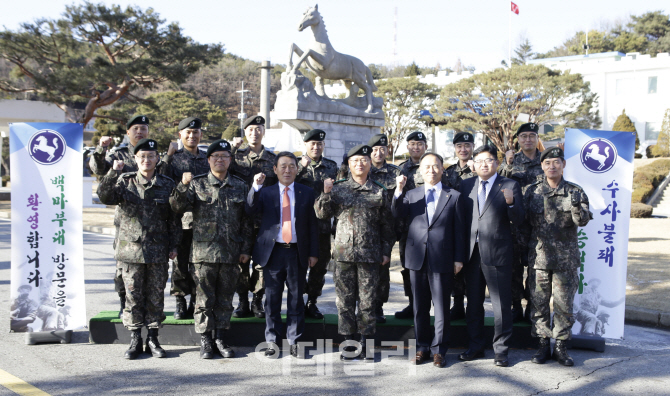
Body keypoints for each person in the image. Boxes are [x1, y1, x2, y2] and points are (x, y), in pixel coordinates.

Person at [97, 138, 180, 360]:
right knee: (133, 297)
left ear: (157, 159)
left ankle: (153, 338)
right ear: (135, 159)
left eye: (150, 156)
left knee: (155, 297)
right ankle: (135, 339)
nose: (146, 160)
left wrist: (174, 246)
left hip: (157, 251)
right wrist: (113, 173)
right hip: (130, 252)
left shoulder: (167, 184)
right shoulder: (124, 181)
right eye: (142, 156)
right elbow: (105, 196)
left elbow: (174, 219)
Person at [170, 139, 253, 359]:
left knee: (225, 300)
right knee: (204, 300)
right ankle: (206, 340)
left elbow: (246, 221)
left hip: (230, 254)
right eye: (215, 156)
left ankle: (221, 338)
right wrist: (183, 186)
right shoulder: (197, 184)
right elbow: (177, 207)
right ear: (209, 160)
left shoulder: (240, 185)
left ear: (230, 160)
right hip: (203, 254)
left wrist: (245, 249)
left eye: (224, 156)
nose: (219, 160)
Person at [315, 144, 394, 361]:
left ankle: (366, 342)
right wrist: (326, 193)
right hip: (343, 256)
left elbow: (387, 226)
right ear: (348, 165)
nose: (360, 164)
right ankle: (348, 342)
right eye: (355, 161)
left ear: (370, 164)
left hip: (370, 255)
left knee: (368, 301)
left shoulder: (379, 190)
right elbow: (322, 215)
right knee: (345, 301)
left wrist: (386, 251)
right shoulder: (338, 188)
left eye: (364, 160)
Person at [392, 153, 466, 368]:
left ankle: (440, 350)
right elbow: (397, 213)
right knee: (419, 307)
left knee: (442, 308)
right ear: (420, 171)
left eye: (435, 166)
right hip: (417, 259)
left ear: (443, 170)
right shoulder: (412, 194)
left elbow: (459, 231)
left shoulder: (454, 196)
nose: (431, 170)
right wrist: (398, 190)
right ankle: (423, 347)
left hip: (443, 258)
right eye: (427, 167)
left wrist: (459, 258)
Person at [521, 147, 592, 366]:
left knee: (563, 305)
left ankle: (561, 346)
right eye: (547, 162)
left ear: (563, 165)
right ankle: (543, 344)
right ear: (542, 166)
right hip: (539, 259)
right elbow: (523, 224)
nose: (552, 166)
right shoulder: (531, 191)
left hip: (565, 260)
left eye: (556, 162)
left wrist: (578, 208)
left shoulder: (575, 191)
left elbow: (582, 222)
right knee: (539, 304)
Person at [245, 152, 319, 358]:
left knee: (296, 299)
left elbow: (312, 225)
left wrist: (313, 253)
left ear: (297, 169)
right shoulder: (266, 192)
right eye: (283, 166)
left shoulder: (306, 192)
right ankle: (272, 341)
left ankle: (294, 341)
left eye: (291, 166)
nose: (287, 170)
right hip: (273, 252)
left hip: (297, 252)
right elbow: (250, 209)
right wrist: (256, 187)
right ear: (275, 170)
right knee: (272, 299)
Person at [458, 144, 524, 367]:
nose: (483, 164)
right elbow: (460, 221)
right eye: (479, 161)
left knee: (500, 306)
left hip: (498, 254)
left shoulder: (510, 185)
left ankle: (501, 351)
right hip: (472, 254)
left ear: (496, 163)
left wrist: (511, 203)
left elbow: (520, 220)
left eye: (488, 160)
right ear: (473, 165)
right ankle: (475, 346)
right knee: (473, 304)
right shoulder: (465, 185)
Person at [89, 115, 155, 318]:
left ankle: (147, 307)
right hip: (126, 220)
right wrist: (101, 149)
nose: (139, 132)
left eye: (143, 128)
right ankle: (123, 302)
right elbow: (97, 169)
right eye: (135, 128)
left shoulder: (153, 154)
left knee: (150, 270)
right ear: (128, 133)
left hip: (151, 220)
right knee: (123, 267)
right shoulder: (118, 155)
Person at [161, 117, 210, 320]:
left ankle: (195, 301)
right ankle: (180, 301)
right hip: (180, 220)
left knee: (200, 265)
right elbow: (162, 180)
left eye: (196, 132)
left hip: (204, 220)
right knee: (181, 264)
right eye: (188, 132)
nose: (192, 136)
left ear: (200, 135)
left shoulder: (208, 158)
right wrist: (167, 156)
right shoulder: (174, 158)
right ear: (180, 134)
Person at [230, 115, 277, 319]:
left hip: (263, 220)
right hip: (239, 218)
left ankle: (257, 299)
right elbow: (219, 167)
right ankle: (242, 301)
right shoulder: (236, 157)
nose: (254, 133)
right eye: (250, 129)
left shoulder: (273, 159)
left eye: (258, 129)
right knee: (240, 261)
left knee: (261, 262)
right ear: (245, 132)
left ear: (263, 132)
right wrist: (232, 149)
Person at [499, 123, 545, 322]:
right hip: (515, 225)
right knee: (514, 268)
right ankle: (515, 306)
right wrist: (508, 164)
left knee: (536, 269)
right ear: (518, 139)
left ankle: (532, 308)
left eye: (532, 136)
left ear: (537, 138)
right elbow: (497, 182)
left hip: (540, 225)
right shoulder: (511, 160)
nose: (528, 139)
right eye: (524, 136)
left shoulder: (546, 160)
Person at [294, 129, 338, 320]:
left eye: (319, 144)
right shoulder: (294, 165)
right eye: (312, 143)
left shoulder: (331, 166)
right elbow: (286, 185)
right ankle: (296, 299)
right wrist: (301, 169)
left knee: (319, 265)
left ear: (323, 146)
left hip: (321, 224)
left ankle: (312, 301)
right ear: (305, 145)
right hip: (298, 224)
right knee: (297, 263)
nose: (316, 147)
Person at [367, 133, 402, 323]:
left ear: (387, 150)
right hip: (365, 226)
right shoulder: (361, 168)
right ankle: (365, 308)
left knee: (382, 268)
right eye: (374, 149)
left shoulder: (396, 173)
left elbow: (403, 199)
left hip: (386, 228)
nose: (378, 153)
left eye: (382, 149)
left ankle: (378, 306)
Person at [444, 132, 477, 321]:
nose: (463, 150)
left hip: (475, 225)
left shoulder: (480, 168)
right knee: (455, 267)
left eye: (467, 145)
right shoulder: (449, 172)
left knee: (472, 268)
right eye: (459, 146)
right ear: (455, 149)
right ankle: (457, 304)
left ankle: (472, 306)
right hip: (454, 225)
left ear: (472, 147)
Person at [395, 131, 428, 319]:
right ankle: (412, 304)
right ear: (407, 146)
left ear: (425, 146)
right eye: (413, 144)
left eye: (420, 144)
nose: (416, 147)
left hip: (431, 226)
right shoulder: (400, 170)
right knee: (408, 268)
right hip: (408, 230)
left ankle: (429, 306)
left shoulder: (433, 166)